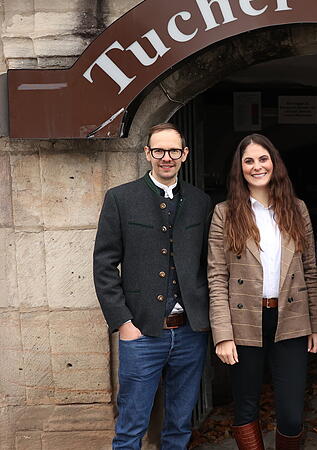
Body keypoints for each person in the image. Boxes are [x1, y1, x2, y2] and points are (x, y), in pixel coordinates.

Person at [93, 123, 213, 449]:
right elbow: (104, 265)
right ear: (147, 153)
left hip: (190, 333)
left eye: (174, 151)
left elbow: (210, 264)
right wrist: (123, 323)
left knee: (179, 426)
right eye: (158, 151)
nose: (166, 158)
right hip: (141, 331)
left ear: (185, 154)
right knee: (131, 427)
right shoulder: (120, 198)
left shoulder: (202, 203)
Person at [207, 134, 317, 450]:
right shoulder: (225, 212)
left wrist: (316, 324)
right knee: (245, 407)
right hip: (244, 322)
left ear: (274, 163)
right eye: (249, 161)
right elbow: (217, 276)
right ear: (239, 168)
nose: (257, 166)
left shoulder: (296, 210)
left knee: (291, 412)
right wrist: (223, 334)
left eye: (263, 159)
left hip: (292, 319)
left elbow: (310, 270)